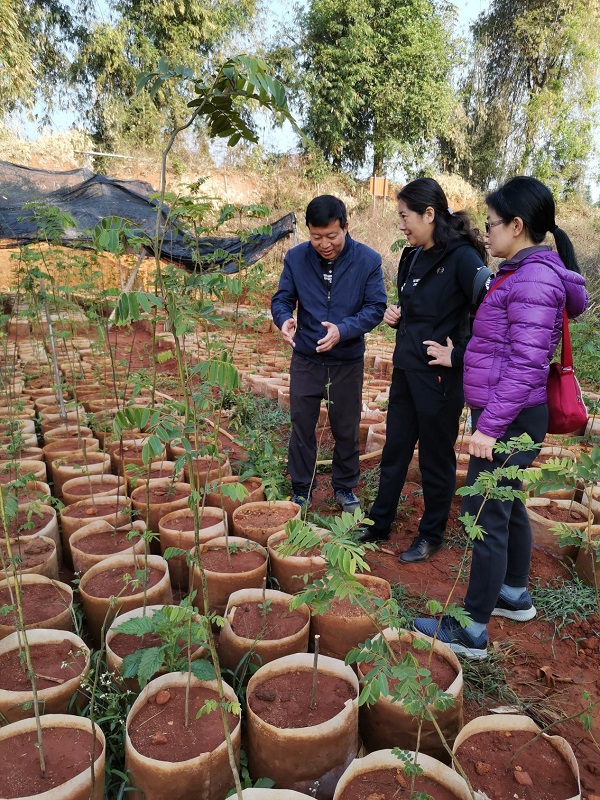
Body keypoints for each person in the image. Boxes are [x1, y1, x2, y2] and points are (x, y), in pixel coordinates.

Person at [414, 176, 589, 659]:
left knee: (484, 515)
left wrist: (488, 428)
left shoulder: (532, 279)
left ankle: (471, 628)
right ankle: (513, 594)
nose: (485, 233)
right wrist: (460, 360)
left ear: (517, 226)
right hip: (513, 411)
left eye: (491, 225)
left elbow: (527, 363)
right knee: (506, 505)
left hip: (507, 416)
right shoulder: (523, 271)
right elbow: (505, 347)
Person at [357, 177, 490, 563]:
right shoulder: (410, 256)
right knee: (395, 448)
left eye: (405, 216)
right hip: (406, 372)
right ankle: (380, 521)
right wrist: (398, 316)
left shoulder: (463, 258)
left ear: (429, 214)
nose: (401, 224)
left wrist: (461, 354)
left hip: (439, 380)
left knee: (435, 458)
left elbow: (492, 309)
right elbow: (422, 308)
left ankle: (431, 534)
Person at [271, 195, 386, 512]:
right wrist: (285, 319)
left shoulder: (368, 261)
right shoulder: (296, 259)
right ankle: (301, 488)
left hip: (346, 361)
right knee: (302, 423)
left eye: (332, 236)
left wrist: (344, 330)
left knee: (345, 427)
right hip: (307, 357)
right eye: (316, 236)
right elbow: (282, 299)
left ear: (346, 227)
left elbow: (375, 308)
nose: (324, 244)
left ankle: (345, 487)